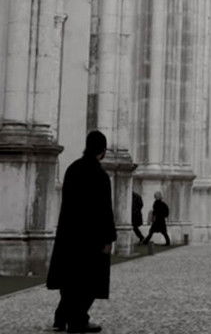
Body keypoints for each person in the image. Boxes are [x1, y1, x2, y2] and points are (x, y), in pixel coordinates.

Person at [47, 131, 116, 334]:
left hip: (70, 233)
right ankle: (77, 320)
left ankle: (61, 317)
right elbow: (105, 210)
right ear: (102, 151)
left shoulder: (72, 169)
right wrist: (109, 238)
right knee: (89, 281)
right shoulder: (100, 176)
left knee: (70, 279)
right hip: (92, 237)